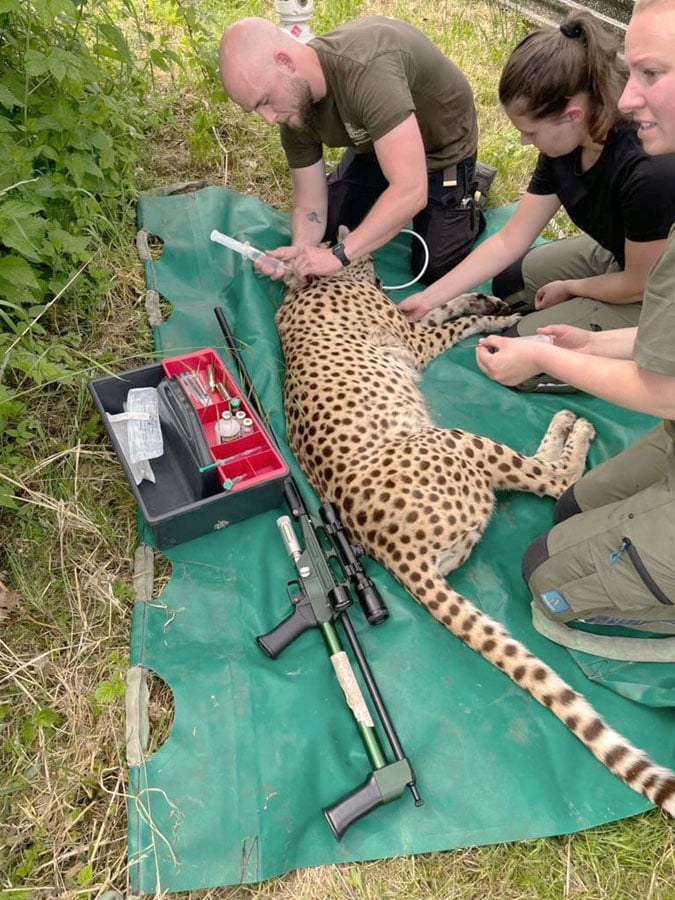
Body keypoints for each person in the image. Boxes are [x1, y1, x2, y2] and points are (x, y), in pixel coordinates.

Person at [477, 0, 675, 633]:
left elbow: (663, 386)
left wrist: (546, 355)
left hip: (662, 379)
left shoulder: (650, 171)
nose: (628, 98)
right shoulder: (582, 143)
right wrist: (594, 347)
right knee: (568, 512)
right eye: (630, 72)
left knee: (545, 576)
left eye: (650, 74)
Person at [400, 12, 675, 338]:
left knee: (517, 347)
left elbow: (637, 284)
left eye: (530, 131)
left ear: (572, 115)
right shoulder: (567, 141)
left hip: (657, 285)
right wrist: (430, 299)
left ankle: (639, 338)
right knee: (510, 284)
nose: (524, 141)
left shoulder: (649, 167)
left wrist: (573, 287)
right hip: (625, 252)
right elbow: (509, 239)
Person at [218, 16, 485, 285]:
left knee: (434, 268)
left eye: (265, 101)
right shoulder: (292, 108)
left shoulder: (367, 69)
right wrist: (302, 249)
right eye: (256, 110)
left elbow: (412, 191)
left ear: (285, 62)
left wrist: (339, 255)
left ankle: (470, 194)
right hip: (374, 145)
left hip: (441, 148)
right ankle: (388, 184)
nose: (269, 119)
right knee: (331, 230)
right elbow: (310, 204)